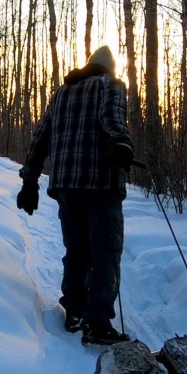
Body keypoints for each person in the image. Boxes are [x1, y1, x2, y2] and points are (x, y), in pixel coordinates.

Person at [17, 46, 134, 346]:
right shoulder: (111, 85)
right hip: (101, 184)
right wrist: (121, 142)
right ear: (109, 68)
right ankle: (97, 323)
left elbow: (41, 136)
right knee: (106, 252)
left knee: (78, 249)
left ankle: (75, 312)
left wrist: (29, 180)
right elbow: (112, 119)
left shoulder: (62, 93)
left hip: (66, 186)